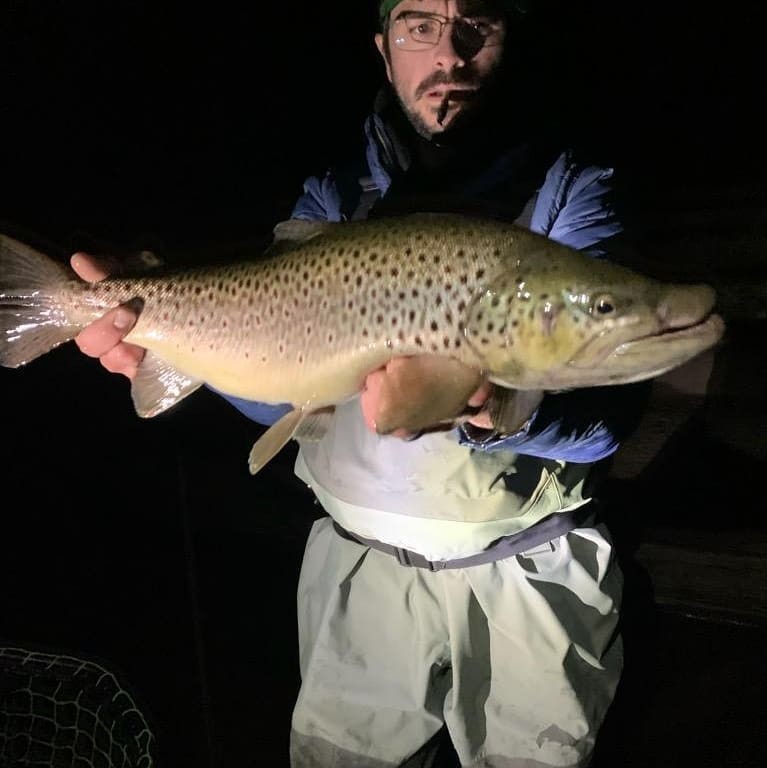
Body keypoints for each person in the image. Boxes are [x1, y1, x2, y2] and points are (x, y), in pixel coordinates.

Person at [71, 2, 648, 765]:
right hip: (360, 576)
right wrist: (162, 345)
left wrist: (500, 408)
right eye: (419, 26)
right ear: (384, 48)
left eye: (476, 25)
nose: (448, 53)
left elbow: (611, 415)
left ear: (511, 40)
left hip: (530, 576)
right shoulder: (337, 198)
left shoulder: (573, 186)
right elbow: (280, 392)